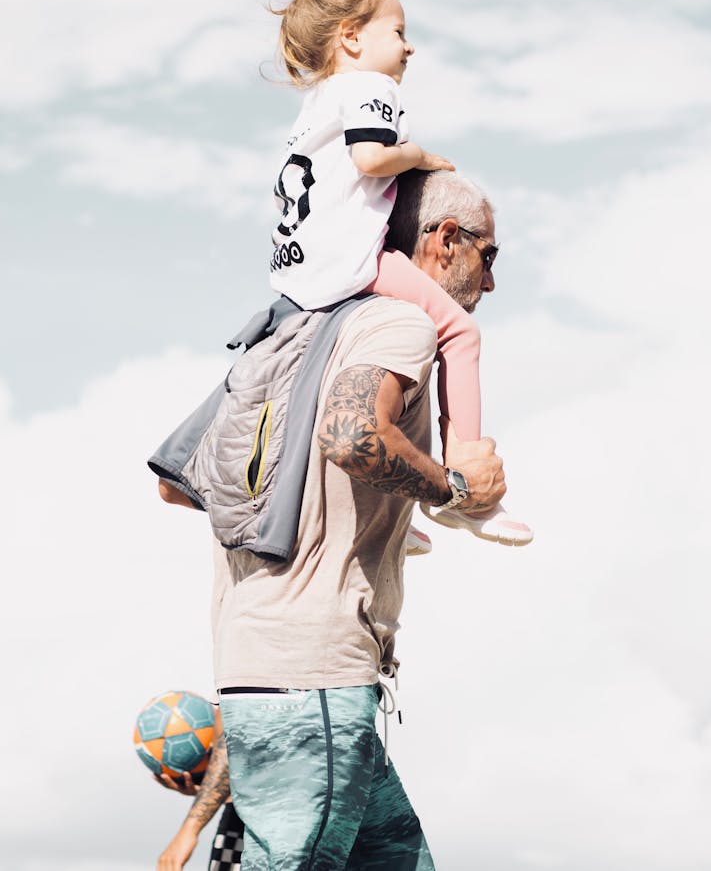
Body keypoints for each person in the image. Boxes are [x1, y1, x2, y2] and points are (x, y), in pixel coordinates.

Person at [160, 168, 512, 870]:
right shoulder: (401, 322)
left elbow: (181, 485)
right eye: (489, 255)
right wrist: (451, 486)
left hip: (267, 671)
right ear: (443, 242)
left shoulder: (289, 336)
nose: (492, 281)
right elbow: (353, 438)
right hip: (313, 684)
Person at [268, 0, 530, 545]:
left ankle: (391, 503)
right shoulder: (369, 86)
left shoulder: (317, 104)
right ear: (352, 38)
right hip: (348, 262)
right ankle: (466, 477)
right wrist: (416, 154)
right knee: (460, 332)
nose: (408, 48)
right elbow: (371, 158)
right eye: (399, 32)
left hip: (298, 270)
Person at [155, 712, 243, 871]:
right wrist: (210, 790)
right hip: (247, 813)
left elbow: (231, 745)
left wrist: (189, 829)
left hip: (250, 824)